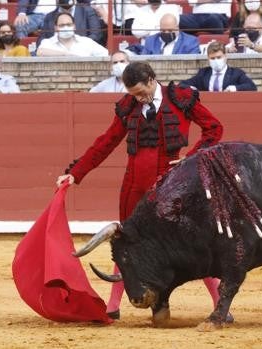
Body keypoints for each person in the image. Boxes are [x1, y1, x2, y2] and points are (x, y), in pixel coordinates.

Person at [55, 61, 224, 320]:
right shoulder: (128, 107)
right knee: (128, 243)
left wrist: (192, 158)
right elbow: (106, 142)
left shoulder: (180, 99)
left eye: (141, 93)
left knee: (191, 243)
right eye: (134, 95)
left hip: (171, 185)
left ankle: (220, 305)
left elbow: (214, 128)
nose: (140, 99)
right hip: (134, 188)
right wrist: (76, 173)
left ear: (152, 79)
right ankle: (112, 306)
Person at [181, 41, 257, 91]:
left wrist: (234, 88)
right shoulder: (203, 73)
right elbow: (182, 84)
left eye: (219, 57)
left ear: (225, 56)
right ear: (208, 58)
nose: (216, 60)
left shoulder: (236, 74)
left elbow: (252, 87)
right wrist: (191, 88)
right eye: (212, 58)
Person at [36, 12, 108, 56]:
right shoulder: (48, 42)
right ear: (56, 28)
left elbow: (105, 54)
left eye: (69, 24)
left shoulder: (86, 42)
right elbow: (40, 52)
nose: (66, 27)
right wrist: (65, 54)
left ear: (74, 26)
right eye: (62, 25)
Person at [37, 0, 104, 47]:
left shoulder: (87, 11)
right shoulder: (49, 17)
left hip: (82, 55)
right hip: (56, 57)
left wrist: (77, 46)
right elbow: (41, 40)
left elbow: (96, 35)